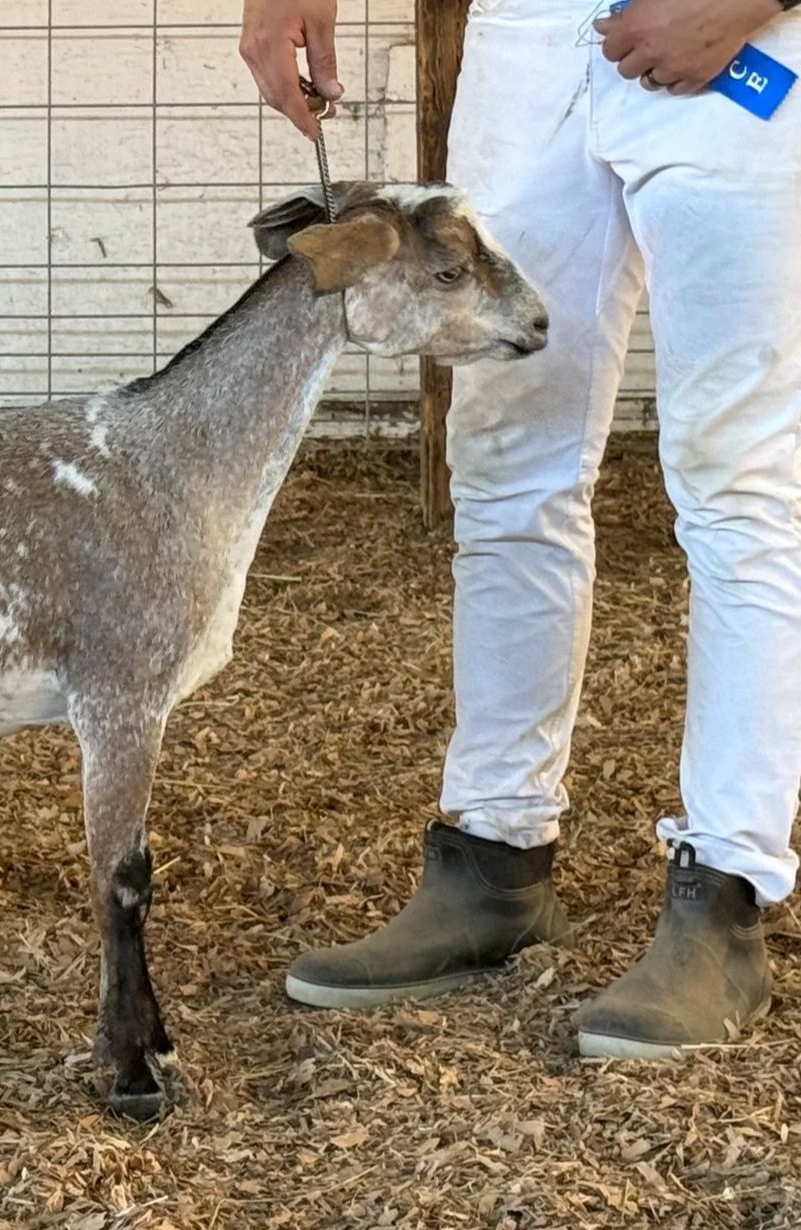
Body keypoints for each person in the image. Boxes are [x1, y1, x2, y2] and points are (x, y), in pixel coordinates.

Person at [239, 0, 801, 1058]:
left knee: (737, 483)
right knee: (501, 462)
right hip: (524, 41)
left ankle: (723, 901)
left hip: (741, 50)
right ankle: (491, 861)